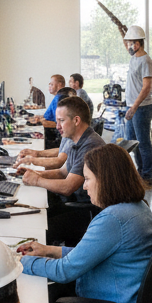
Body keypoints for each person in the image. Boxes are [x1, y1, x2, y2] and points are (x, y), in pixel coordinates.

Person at [17, 143, 152, 303]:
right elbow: (92, 254)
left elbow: (64, 272)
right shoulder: (138, 209)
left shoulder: (113, 219)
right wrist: (50, 251)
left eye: (88, 179)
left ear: (107, 180)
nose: (84, 186)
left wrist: (18, 261)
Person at [21, 97, 106, 246]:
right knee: (32, 214)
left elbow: (67, 187)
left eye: (61, 121)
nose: (57, 126)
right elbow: (62, 172)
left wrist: (36, 180)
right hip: (74, 204)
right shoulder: (77, 140)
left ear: (76, 120)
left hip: (87, 211)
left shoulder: (90, 145)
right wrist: (34, 174)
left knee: (34, 229)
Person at [119, 24, 152, 186]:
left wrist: (134, 107)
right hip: (132, 106)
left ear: (139, 43)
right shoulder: (134, 58)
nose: (128, 46)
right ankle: (139, 174)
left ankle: (147, 177)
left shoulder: (146, 61)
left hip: (141, 108)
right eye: (128, 43)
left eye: (131, 43)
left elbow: (146, 87)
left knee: (143, 143)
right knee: (132, 142)